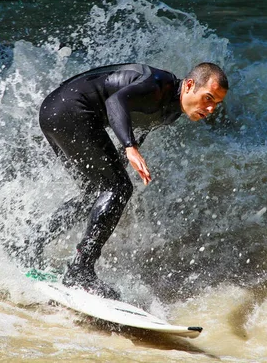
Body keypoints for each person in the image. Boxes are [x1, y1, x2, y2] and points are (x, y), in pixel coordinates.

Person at [37, 62, 228, 299]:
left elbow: (134, 122)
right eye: (208, 98)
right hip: (68, 110)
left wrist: (127, 152)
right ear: (189, 85)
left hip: (56, 112)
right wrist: (129, 147)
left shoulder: (172, 111)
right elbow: (115, 102)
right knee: (118, 188)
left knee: (98, 193)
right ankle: (80, 271)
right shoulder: (157, 85)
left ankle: (33, 242)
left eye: (216, 105)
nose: (210, 109)